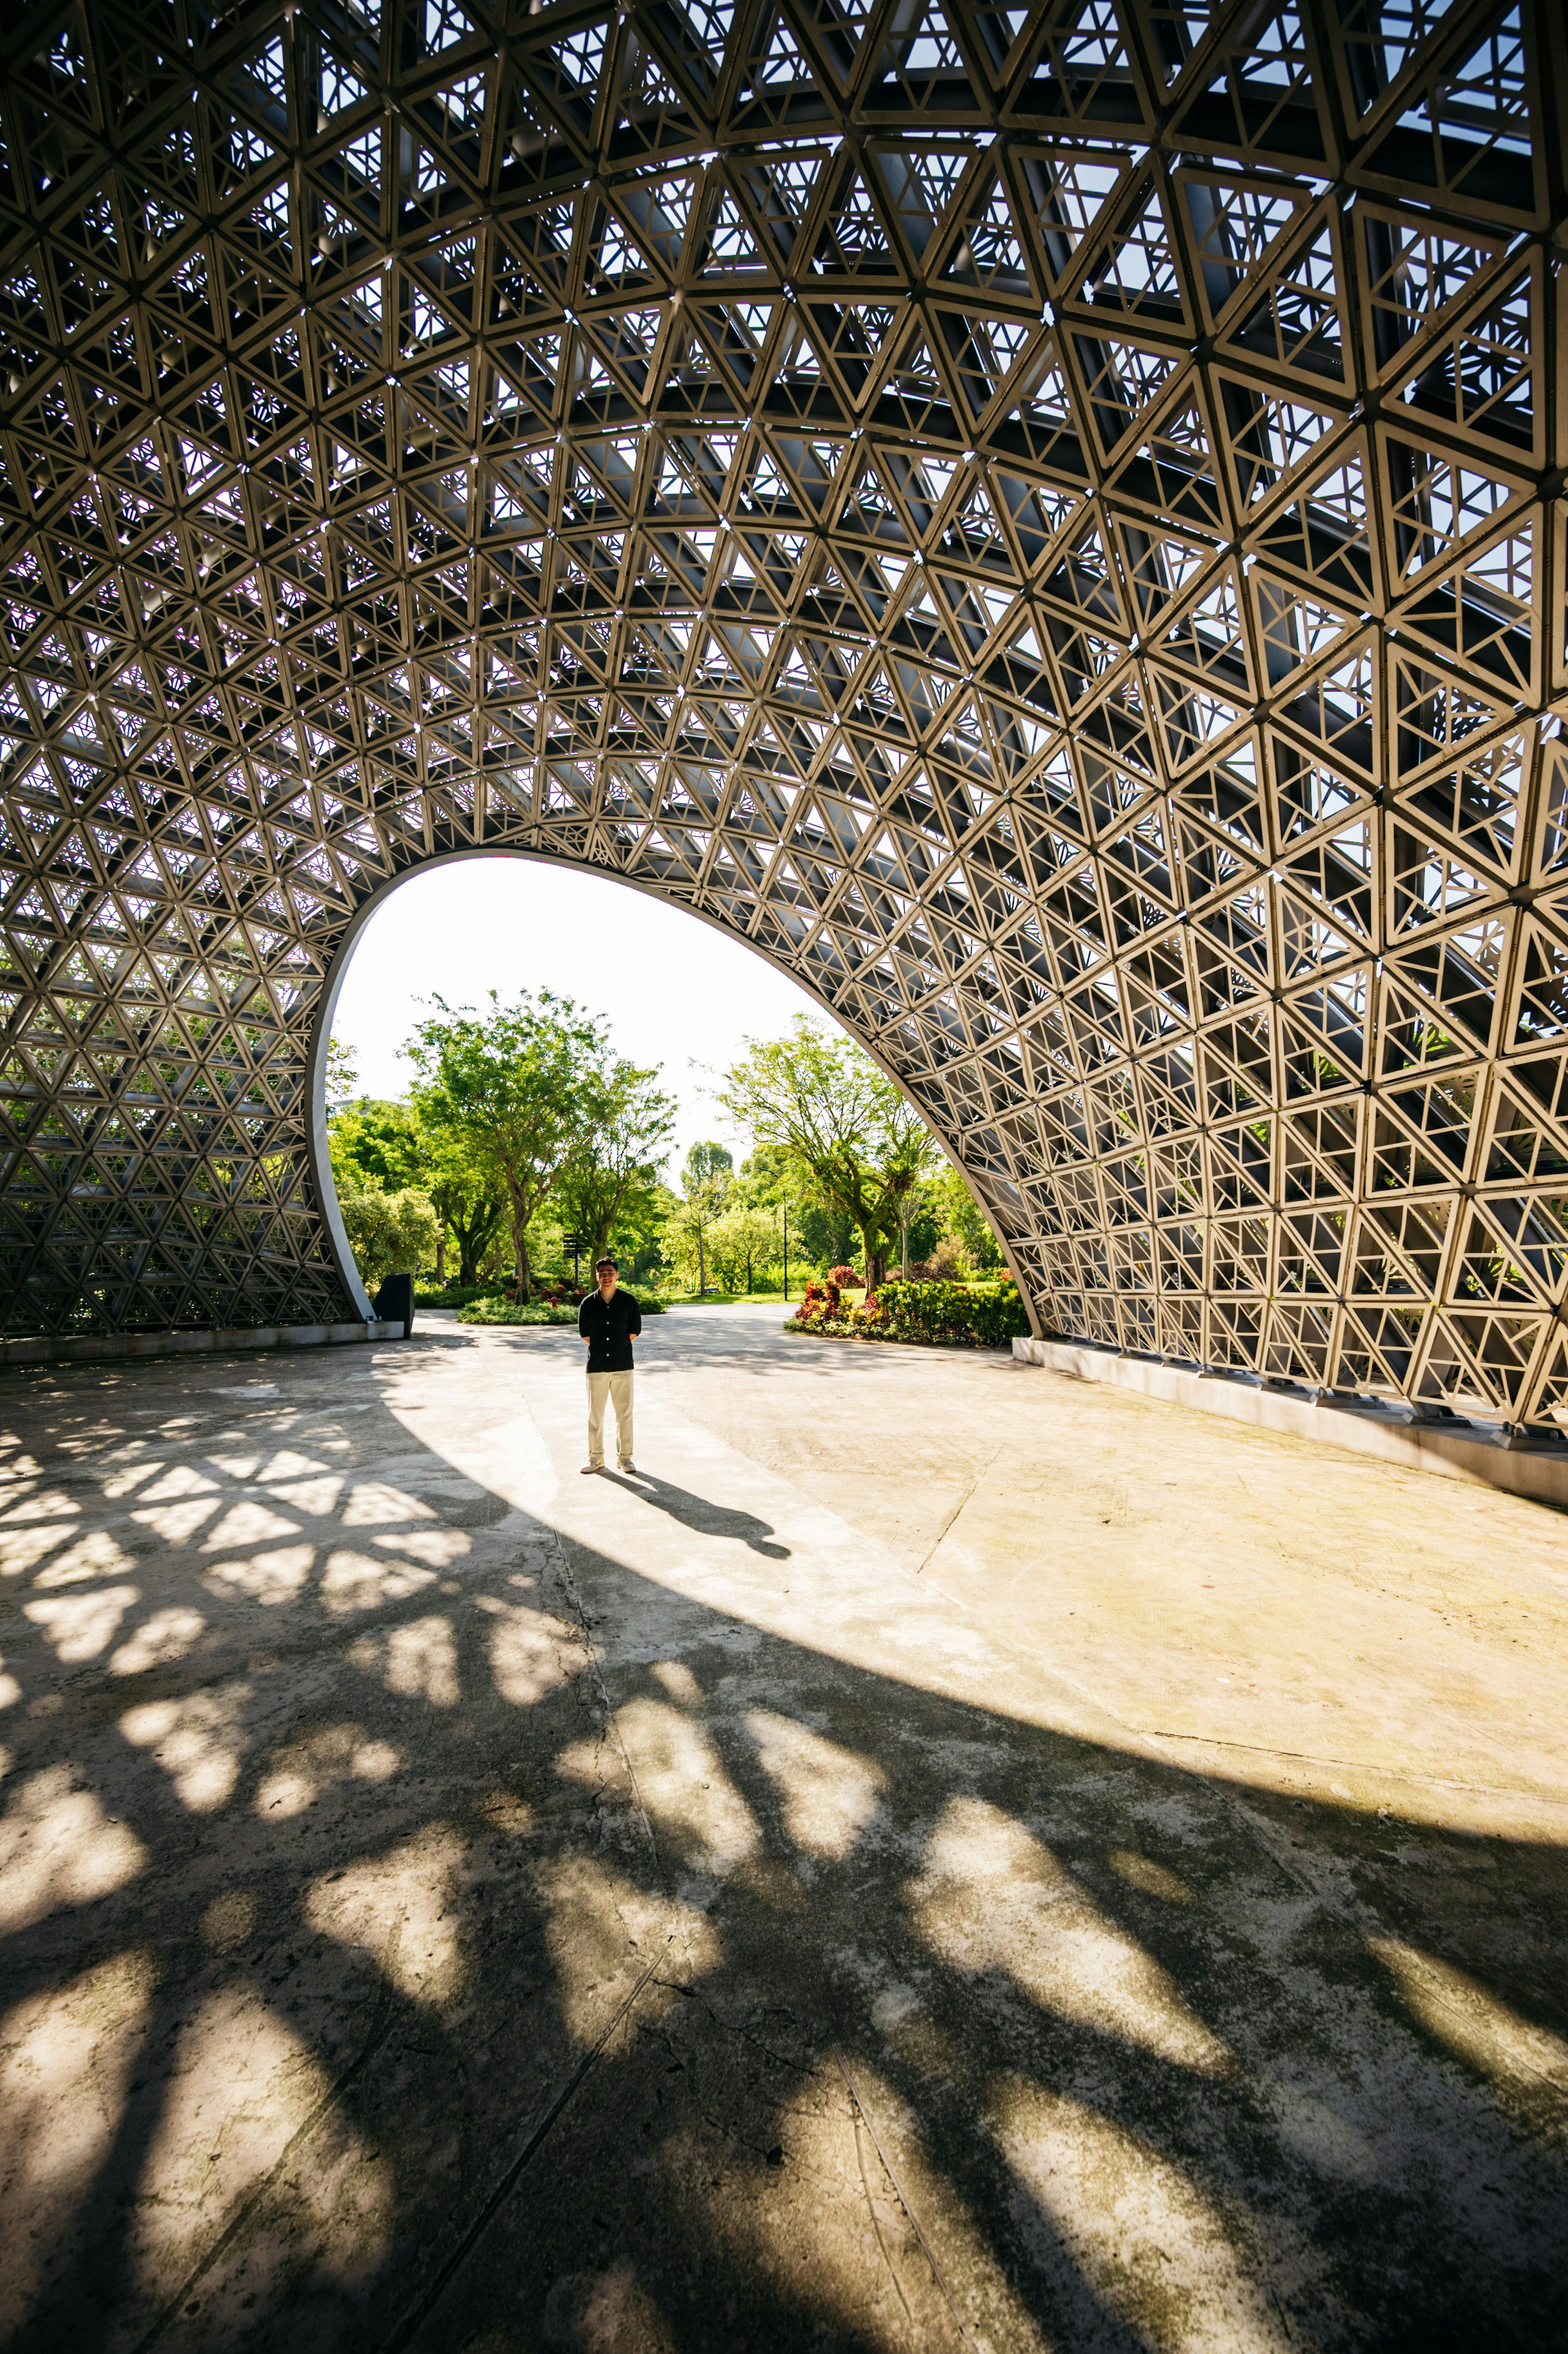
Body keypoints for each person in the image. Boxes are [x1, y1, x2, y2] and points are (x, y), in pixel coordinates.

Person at [578, 1255, 641, 1473]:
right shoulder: (588, 1303)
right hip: (597, 1367)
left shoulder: (628, 1302)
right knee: (595, 1415)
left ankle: (625, 1458)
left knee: (625, 1414)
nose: (606, 1277)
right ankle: (596, 1458)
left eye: (610, 1273)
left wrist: (616, 1347)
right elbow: (586, 1335)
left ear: (617, 1275)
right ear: (597, 1276)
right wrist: (603, 1348)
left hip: (623, 1365)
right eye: (602, 1273)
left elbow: (634, 1331)